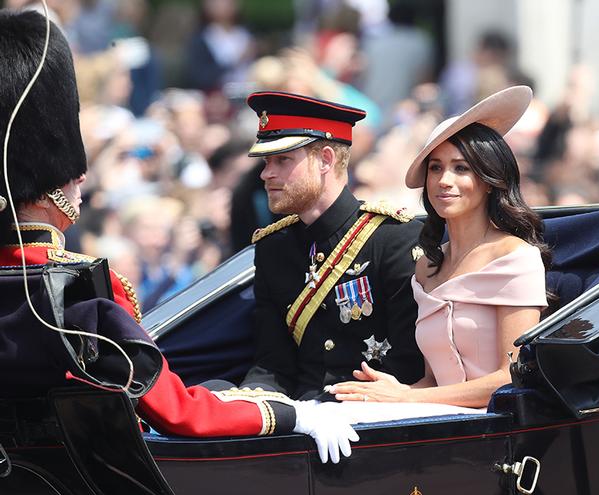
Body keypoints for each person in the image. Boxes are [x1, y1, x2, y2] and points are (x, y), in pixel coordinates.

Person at [0, 9, 354, 463]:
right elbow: (179, 414)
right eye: (72, 176)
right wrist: (292, 417)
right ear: (53, 187)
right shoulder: (78, 293)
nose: (81, 178)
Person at [330, 86, 549, 408]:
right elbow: (434, 381)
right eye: (436, 168)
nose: (444, 180)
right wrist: (380, 395)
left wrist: (404, 397)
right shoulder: (427, 267)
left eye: (461, 168)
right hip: (438, 424)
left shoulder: (514, 257)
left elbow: (511, 377)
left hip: (499, 429)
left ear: (489, 180)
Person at [242, 91, 425, 399]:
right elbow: (273, 365)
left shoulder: (394, 238)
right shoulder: (274, 246)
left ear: (325, 159)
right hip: (302, 422)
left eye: (282, 160)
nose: (266, 173)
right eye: (266, 161)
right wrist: (249, 404)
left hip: (375, 420)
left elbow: (408, 365)